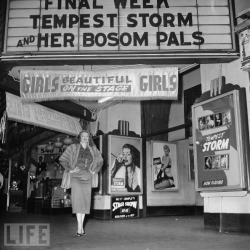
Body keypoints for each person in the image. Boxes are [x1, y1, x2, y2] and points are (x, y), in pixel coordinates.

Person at [59, 130, 103, 237]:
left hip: (87, 177)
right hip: (76, 177)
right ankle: (79, 228)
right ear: (80, 137)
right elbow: (62, 159)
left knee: (85, 203)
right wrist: (70, 169)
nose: (84, 138)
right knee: (78, 202)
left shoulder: (93, 149)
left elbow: (101, 161)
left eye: (86, 136)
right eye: (83, 136)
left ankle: (81, 227)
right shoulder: (73, 147)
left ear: (89, 138)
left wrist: (94, 171)